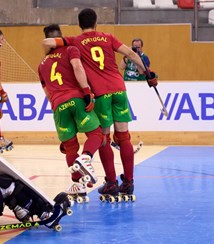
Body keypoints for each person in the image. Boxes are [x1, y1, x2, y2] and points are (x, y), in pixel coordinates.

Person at [42, 8, 158, 200]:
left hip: (101, 94)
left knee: (103, 138)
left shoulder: (76, 41)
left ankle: (111, 183)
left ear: (80, 25)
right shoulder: (108, 37)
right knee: (124, 137)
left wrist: (55, 44)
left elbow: (48, 42)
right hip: (119, 90)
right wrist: (147, 73)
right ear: (96, 23)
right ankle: (128, 183)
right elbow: (130, 53)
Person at [38, 24, 104, 203]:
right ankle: (86, 158)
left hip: (57, 105)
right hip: (75, 98)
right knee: (96, 134)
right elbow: (77, 68)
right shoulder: (70, 49)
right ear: (60, 37)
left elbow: (47, 93)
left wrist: (57, 109)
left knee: (70, 147)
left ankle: (78, 186)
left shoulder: (41, 65)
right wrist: (86, 91)